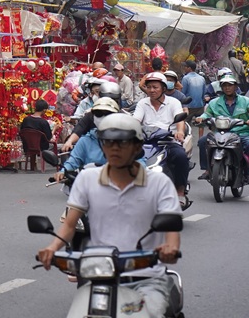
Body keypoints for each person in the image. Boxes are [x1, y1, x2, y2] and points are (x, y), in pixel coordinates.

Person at [36, 113, 181, 317]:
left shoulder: (159, 183)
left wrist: (171, 248)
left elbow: (171, 225)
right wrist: (52, 248)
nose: (114, 148)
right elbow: (70, 225)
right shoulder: (87, 179)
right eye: (108, 142)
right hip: (99, 273)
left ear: (137, 147)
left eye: (122, 142)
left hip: (145, 278)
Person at [133, 72, 191, 208]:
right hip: (146, 141)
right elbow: (135, 120)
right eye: (149, 87)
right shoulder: (142, 103)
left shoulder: (174, 102)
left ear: (163, 88)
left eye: (155, 87)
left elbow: (180, 119)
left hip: (168, 141)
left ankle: (180, 191)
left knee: (181, 157)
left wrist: (180, 132)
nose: (152, 90)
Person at [196, 73, 249, 180]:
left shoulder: (246, 101)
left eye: (230, 85)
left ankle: (247, 171)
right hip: (220, 133)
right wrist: (201, 118)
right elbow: (207, 114)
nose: (227, 88)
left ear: (235, 87)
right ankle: (207, 169)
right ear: (221, 87)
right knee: (202, 141)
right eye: (224, 85)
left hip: (241, 133)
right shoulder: (214, 103)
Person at [53, 97, 120, 179]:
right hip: (90, 183)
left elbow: (138, 160)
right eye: (98, 114)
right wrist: (63, 171)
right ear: (93, 117)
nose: (102, 117)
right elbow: (74, 160)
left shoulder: (125, 140)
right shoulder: (86, 140)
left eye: (107, 114)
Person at [60, 80, 123, 153]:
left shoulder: (124, 119)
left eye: (114, 100)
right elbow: (80, 128)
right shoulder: (91, 116)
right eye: (99, 115)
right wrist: (69, 141)